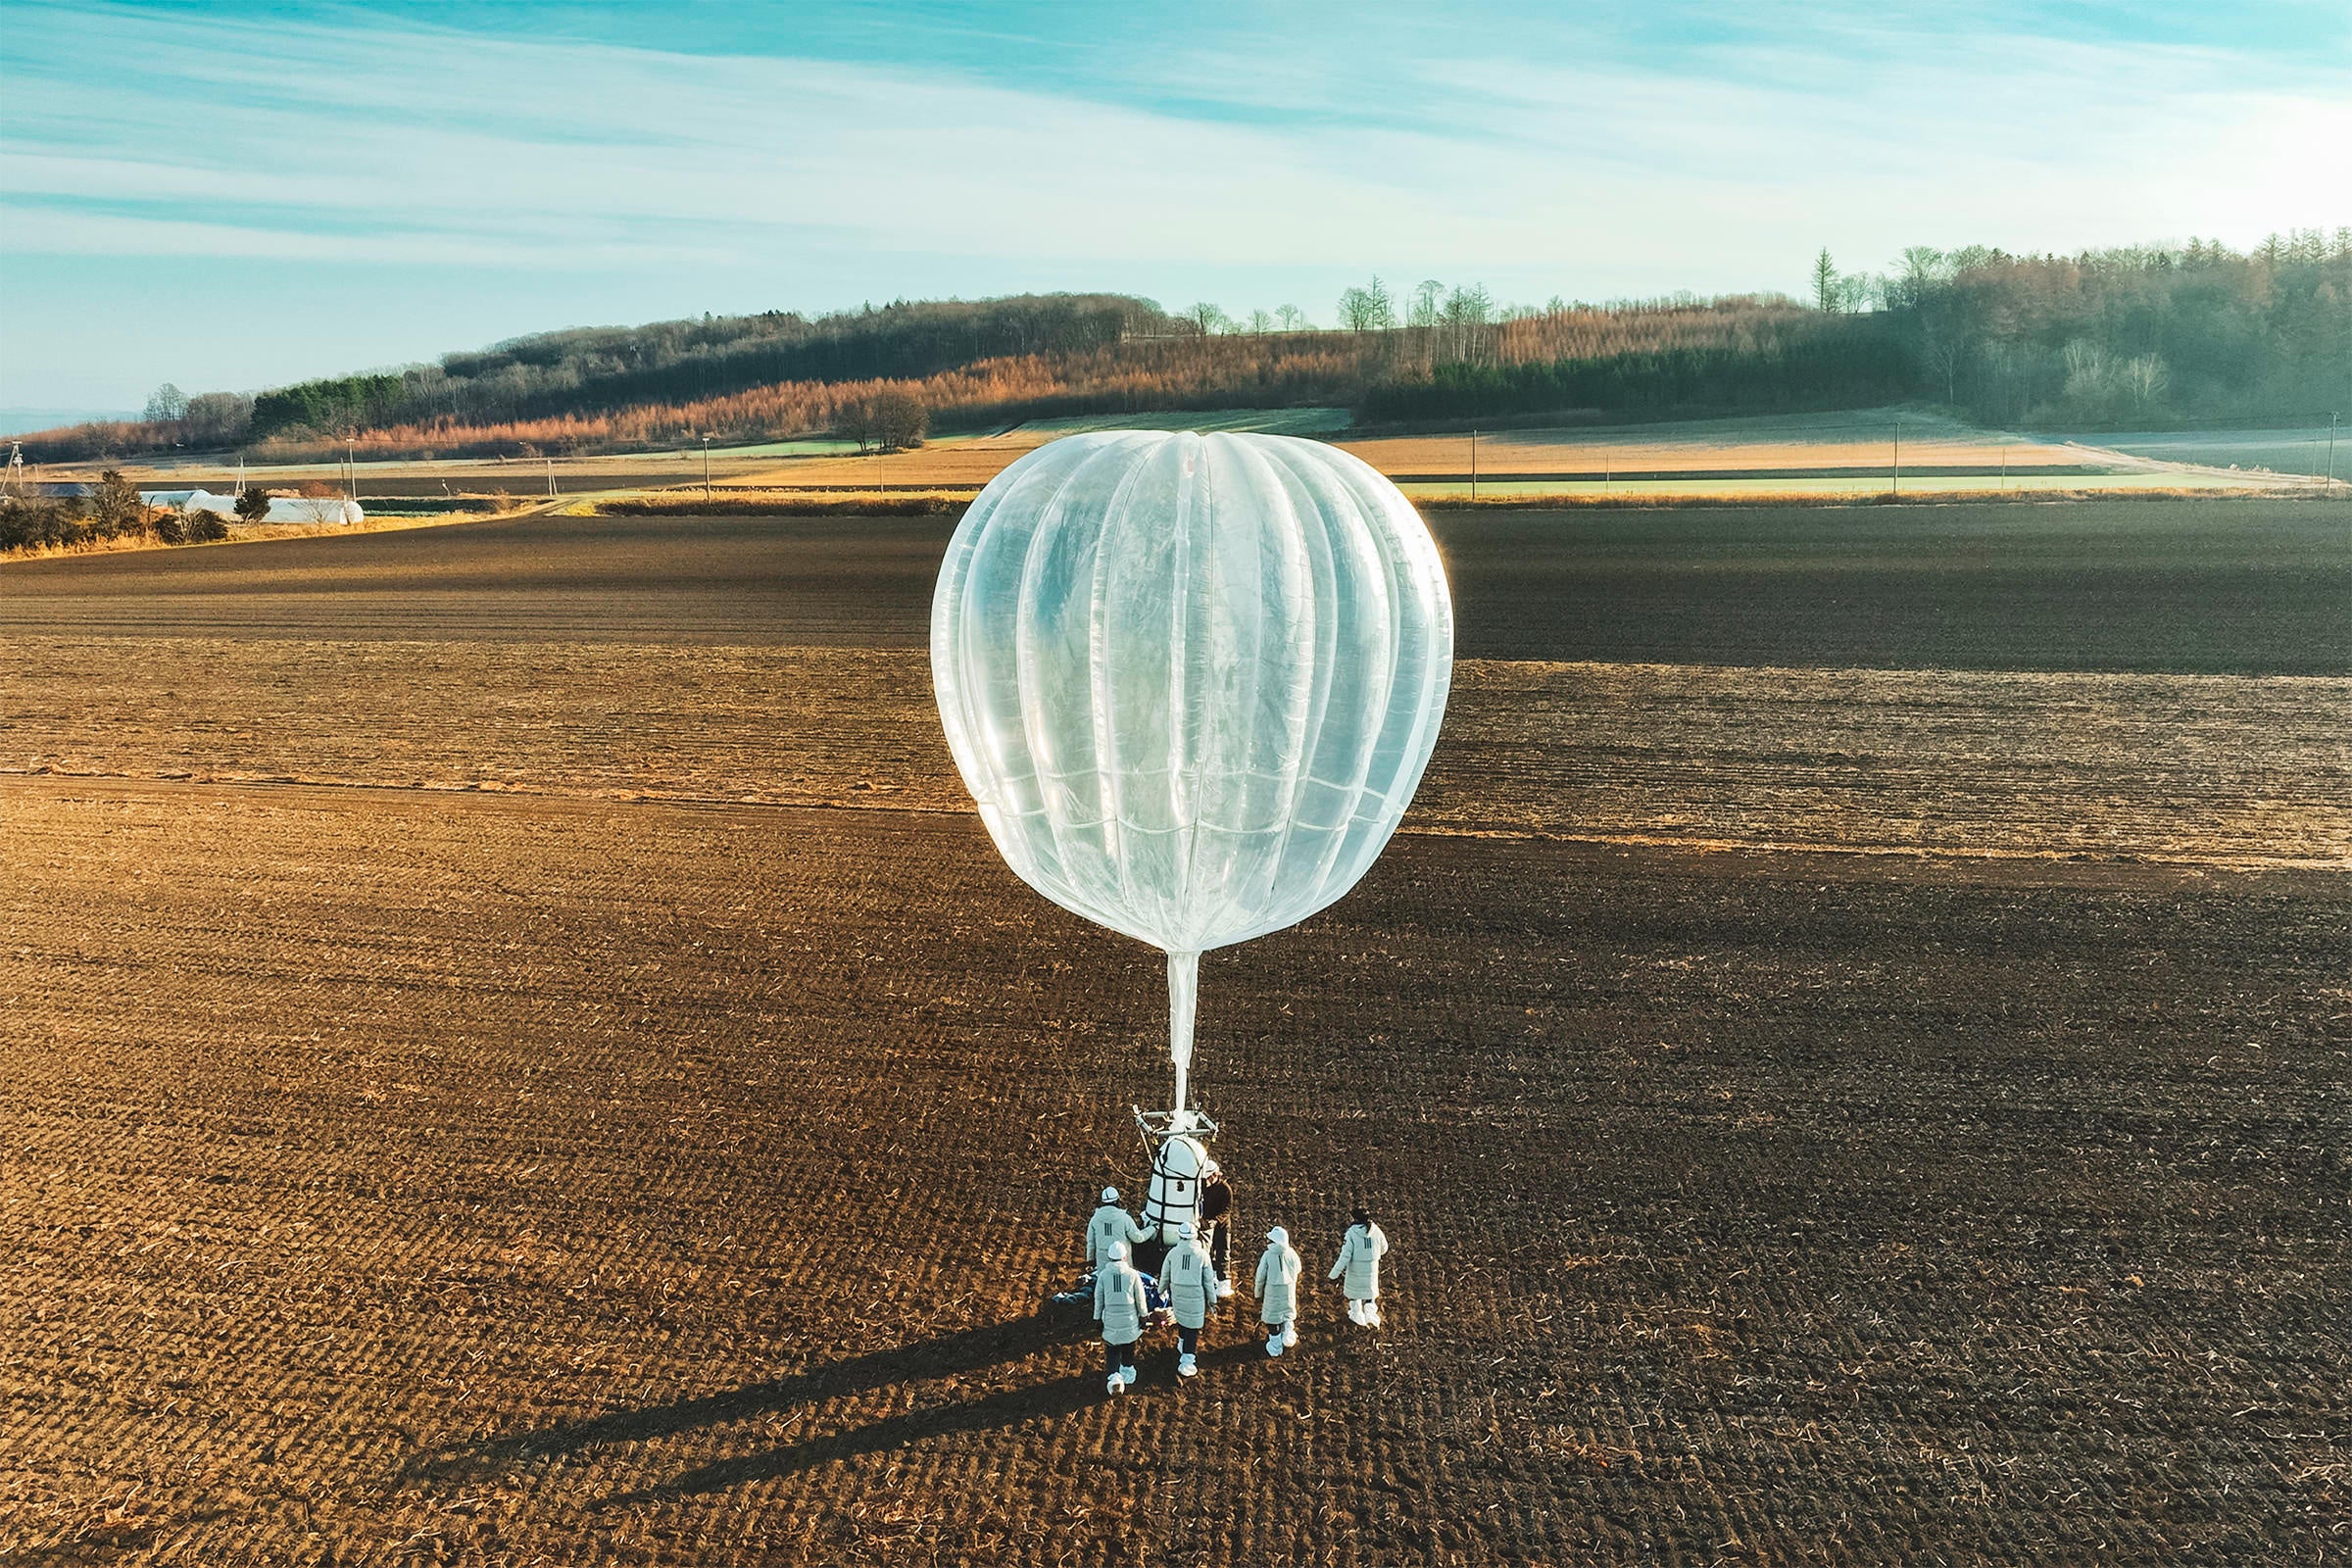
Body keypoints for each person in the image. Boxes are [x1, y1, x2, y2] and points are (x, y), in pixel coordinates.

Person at [1162, 1219, 1218, 1378]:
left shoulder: (1172, 1253)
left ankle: (1181, 1343)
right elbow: (1208, 1281)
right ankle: (1187, 1361)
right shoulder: (1202, 1255)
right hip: (1196, 1296)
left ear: (1180, 1236)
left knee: (1182, 1319)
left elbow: (1165, 1274)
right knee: (1192, 1327)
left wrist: (1161, 1290)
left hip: (1177, 1293)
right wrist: (1212, 1300)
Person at [1095, 1240, 1149, 1395]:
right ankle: (1127, 1372)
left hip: (1111, 1320)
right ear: (1125, 1257)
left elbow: (1099, 1299)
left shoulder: (1103, 1276)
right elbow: (1140, 1298)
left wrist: (1097, 1318)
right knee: (1128, 1346)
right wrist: (1144, 1316)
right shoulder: (1132, 1275)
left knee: (1112, 1349)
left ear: (1109, 1257)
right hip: (1129, 1320)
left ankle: (1114, 1378)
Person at [1330, 1205, 1392, 1327]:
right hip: (1372, 1267)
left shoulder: (1351, 1233)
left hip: (1355, 1269)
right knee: (1369, 1292)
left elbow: (1345, 1256)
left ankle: (1357, 1315)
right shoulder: (1376, 1230)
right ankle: (1371, 1316)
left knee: (1355, 1293)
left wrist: (1333, 1274)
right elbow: (1384, 1248)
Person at [1252, 1225, 1302, 1356]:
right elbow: (1298, 1268)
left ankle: (1275, 1347)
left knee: (1273, 1319)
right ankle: (1288, 1336)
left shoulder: (1268, 1255)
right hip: (1289, 1290)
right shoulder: (1292, 1253)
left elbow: (1260, 1276)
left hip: (1272, 1292)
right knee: (1287, 1313)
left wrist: (1258, 1293)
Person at [1087, 1186, 1151, 1276]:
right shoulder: (1124, 1218)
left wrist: (1090, 1260)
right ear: (1117, 1201)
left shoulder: (1095, 1219)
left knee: (1106, 1281)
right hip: (1123, 1263)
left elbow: (1091, 1243)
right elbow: (1138, 1238)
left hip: (1103, 1263)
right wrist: (1152, 1229)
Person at [1200, 1160, 1235, 1298]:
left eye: (1209, 1178)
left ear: (1215, 1174)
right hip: (1206, 1225)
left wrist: (1215, 1221)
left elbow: (1226, 1210)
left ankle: (1224, 1282)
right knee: (1208, 1251)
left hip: (1221, 1226)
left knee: (1222, 1252)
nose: (1206, 1181)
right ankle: (1212, 1275)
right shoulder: (1203, 1186)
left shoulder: (1225, 1190)